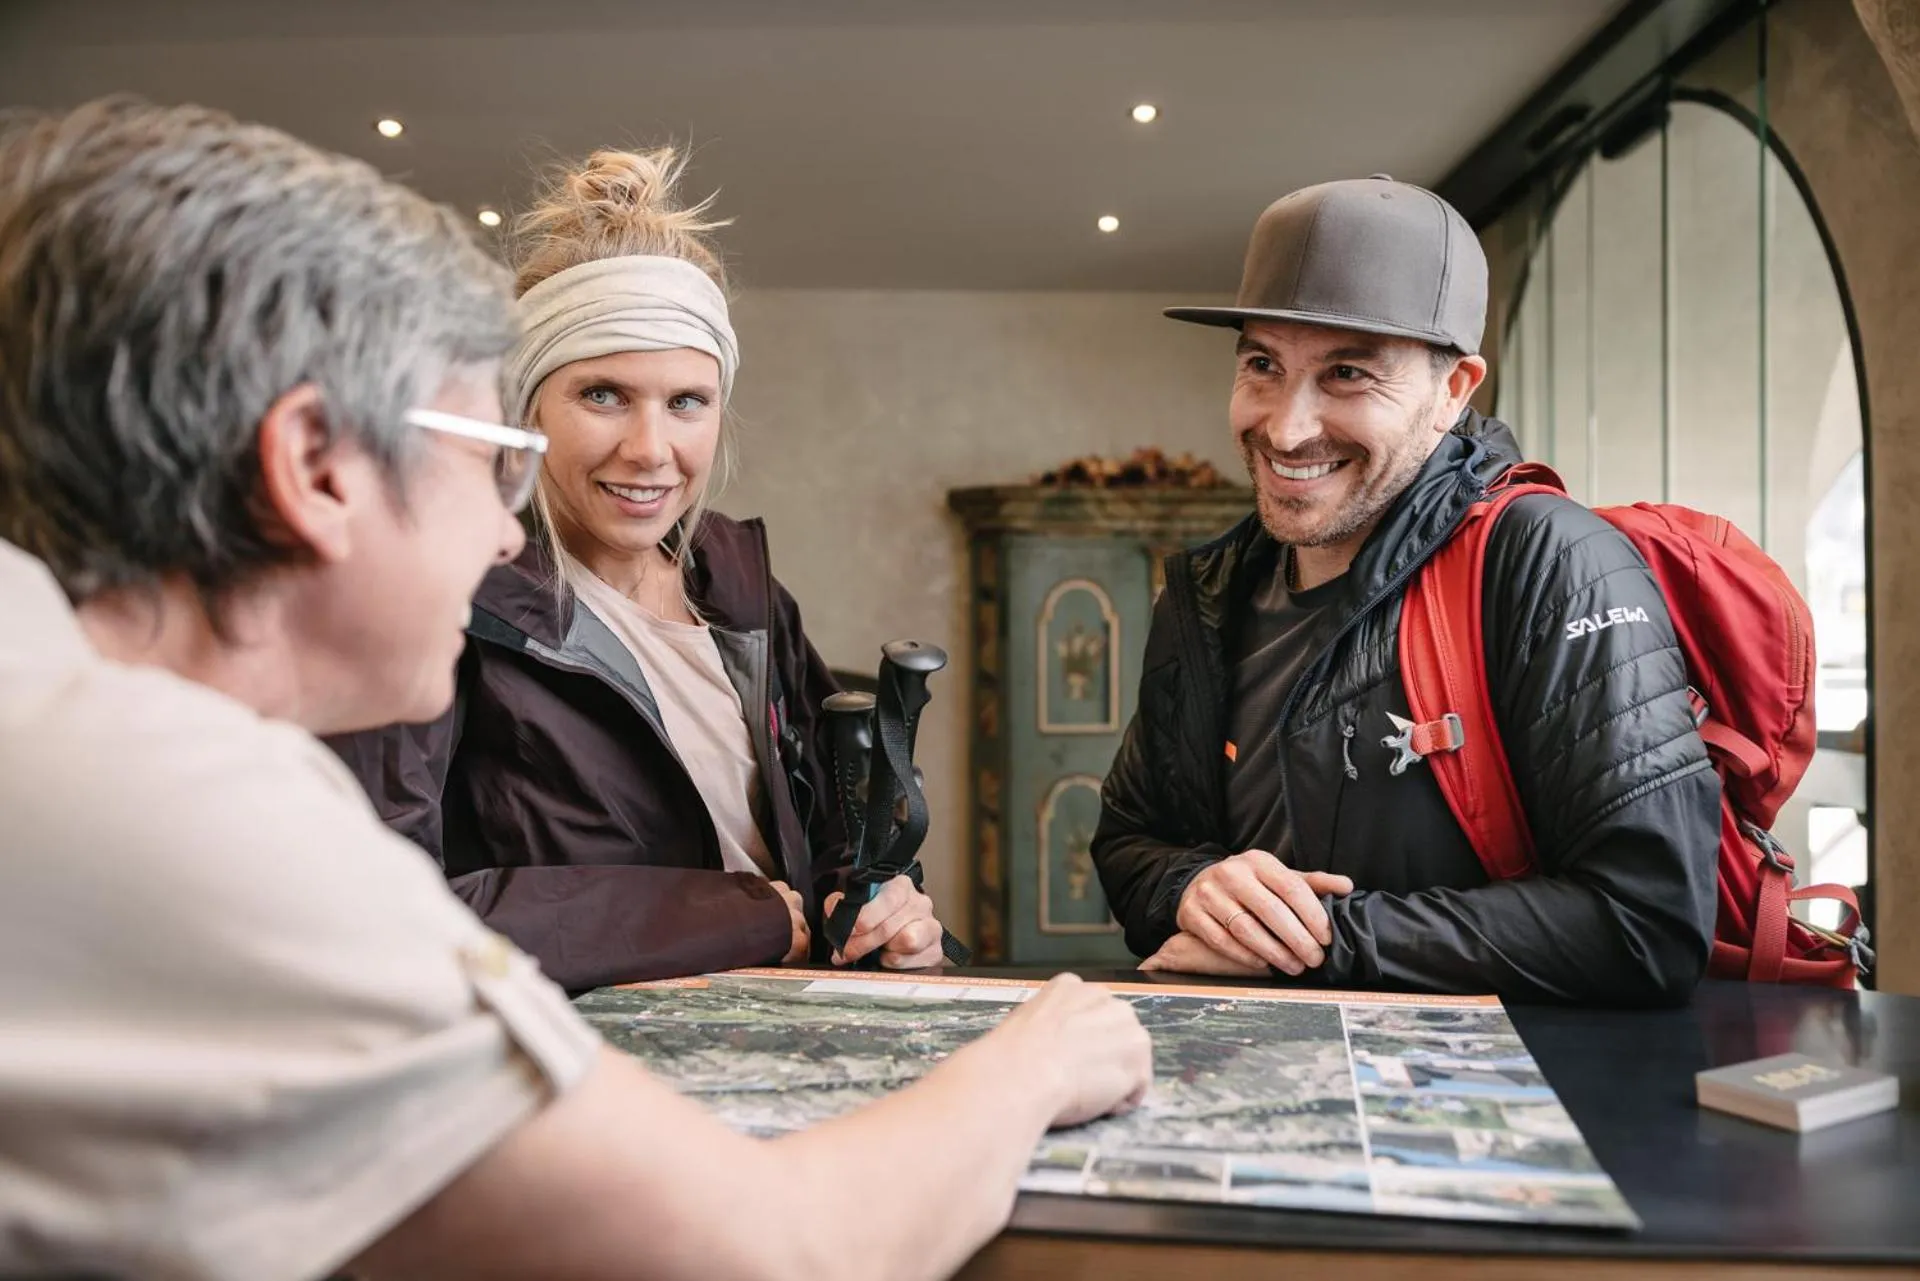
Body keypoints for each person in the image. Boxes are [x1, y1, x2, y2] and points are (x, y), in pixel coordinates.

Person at [0, 98, 1151, 1281]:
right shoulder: (192, 821)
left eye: (685, 403)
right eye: (486, 454)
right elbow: (776, 1254)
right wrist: (1035, 1056)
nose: (507, 537)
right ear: (313, 467)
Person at [1091, 175, 1720, 1006]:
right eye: (1262, 364)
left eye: (1348, 372)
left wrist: (1322, 940)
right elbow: (1131, 837)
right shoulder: (1206, 593)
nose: (1286, 426)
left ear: (1453, 391)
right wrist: (1192, 886)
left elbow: (1650, 918)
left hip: (1491, 1107)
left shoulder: (1551, 563)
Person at [329, 148, 948, 990]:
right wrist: (732, 916)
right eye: (604, 395)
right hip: (581, 1066)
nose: (650, 450)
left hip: (781, 1044)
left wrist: (881, 913)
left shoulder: (741, 582)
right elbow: (381, 910)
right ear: (526, 404)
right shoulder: (447, 600)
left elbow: (834, 841)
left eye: (685, 402)